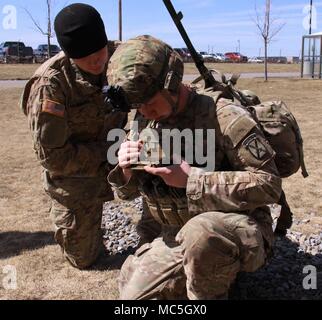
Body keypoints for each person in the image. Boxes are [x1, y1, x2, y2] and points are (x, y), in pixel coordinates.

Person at [106, 35, 282, 299]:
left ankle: (213, 281)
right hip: (175, 235)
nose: (145, 111)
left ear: (171, 83)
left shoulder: (224, 116)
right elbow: (126, 193)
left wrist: (192, 181)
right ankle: (202, 271)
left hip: (237, 227)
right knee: (134, 299)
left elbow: (269, 184)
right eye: (137, 106)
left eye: (150, 102)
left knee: (200, 234)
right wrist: (125, 169)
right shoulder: (144, 120)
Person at [20, 3, 127, 269]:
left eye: (100, 50)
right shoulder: (52, 84)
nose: (97, 61)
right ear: (69, 54)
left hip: (119, 154)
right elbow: (54, 158)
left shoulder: (122, 58)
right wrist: (107, 152)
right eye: (85, 55)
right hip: (75, 176)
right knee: (84, 259)